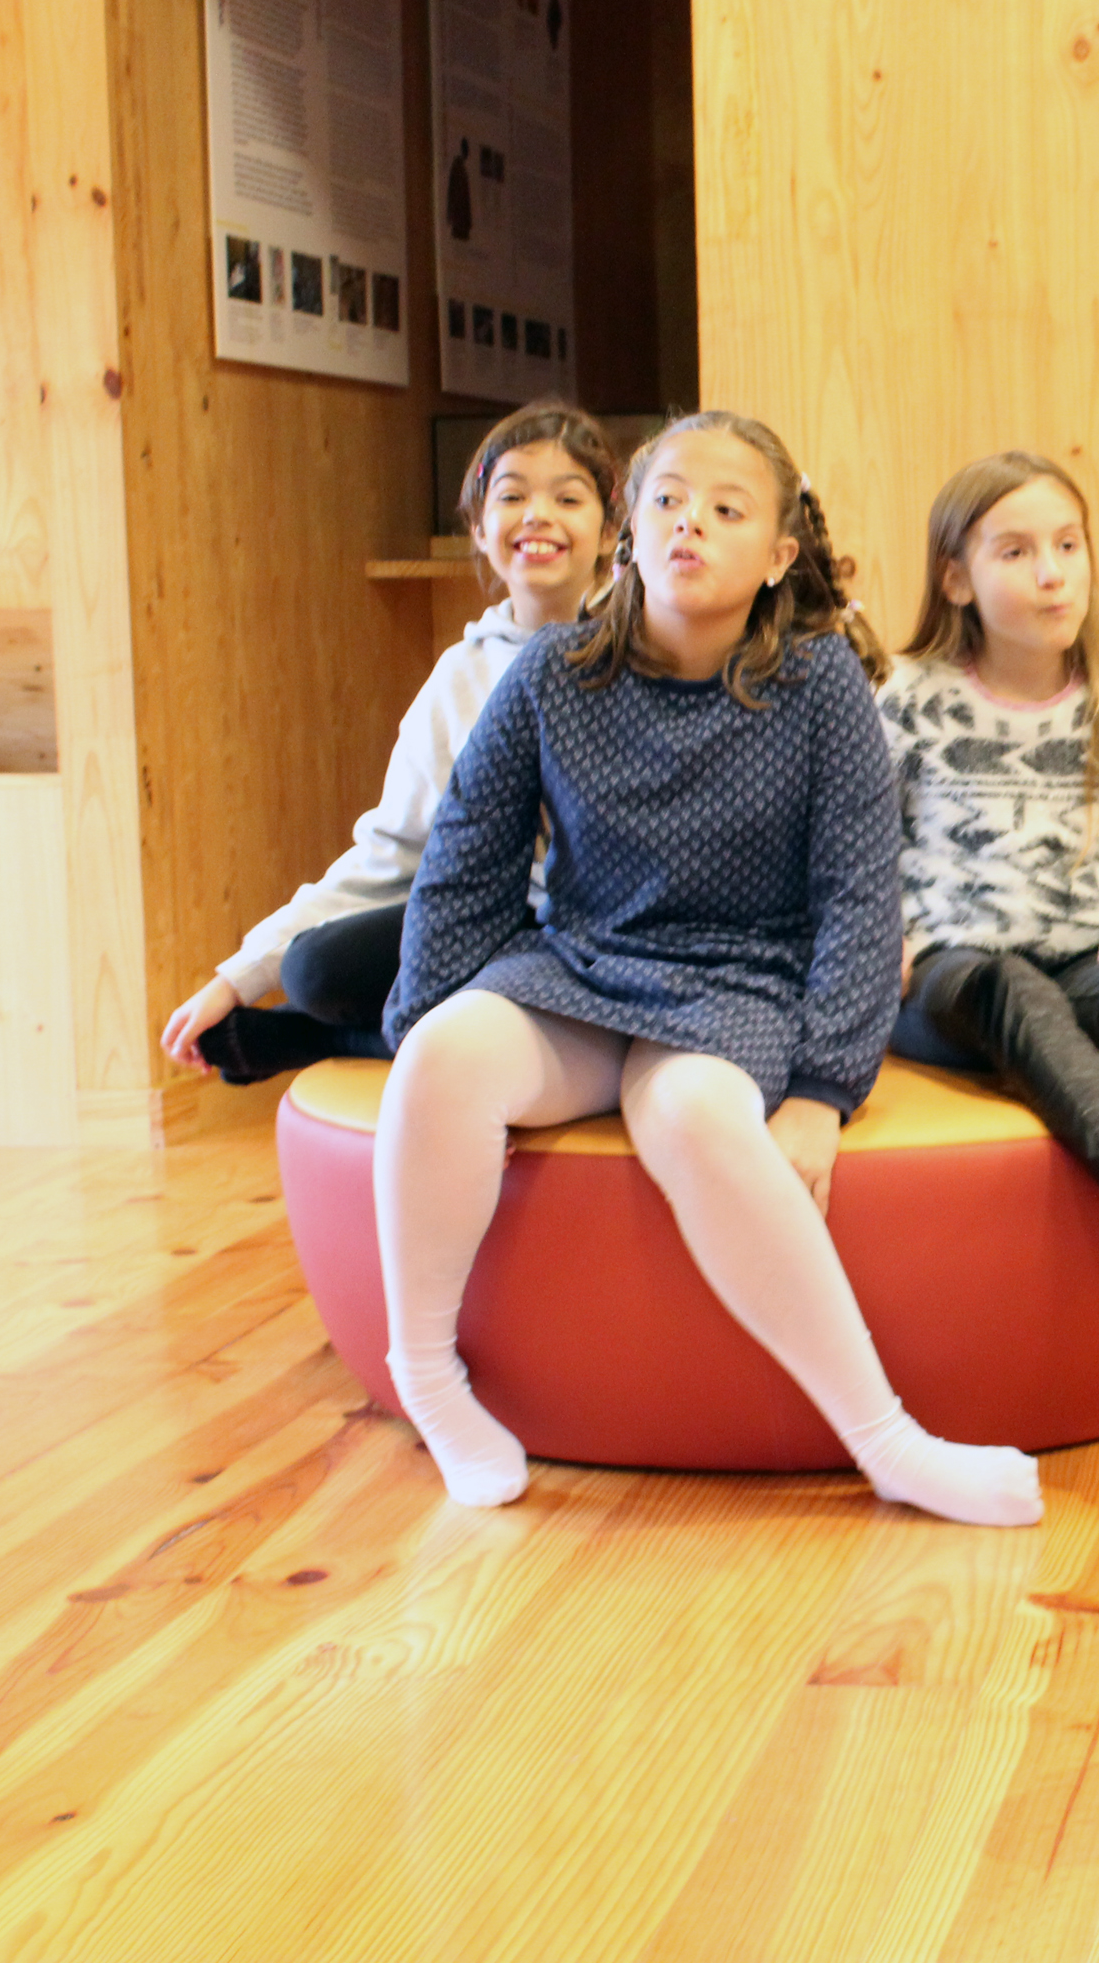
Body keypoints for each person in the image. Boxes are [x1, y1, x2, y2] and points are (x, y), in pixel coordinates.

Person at [370, 411, 1043, 1529]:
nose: (691, 523)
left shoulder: (820, 683)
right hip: (583, 965)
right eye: (670, 501)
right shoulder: (550, 673)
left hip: (740, 981)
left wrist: (825, 1086)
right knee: (442, 1049)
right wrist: (424, 1024)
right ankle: (430, 1377)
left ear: (778, 555)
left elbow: (860, 893)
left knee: (694, 1114)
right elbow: (466, 856)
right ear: (630, 529)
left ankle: (886, 1440)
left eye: (727, 510)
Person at [159, 402, 620, 1083]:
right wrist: (238, 977)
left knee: (522, 1000)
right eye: (512, 496)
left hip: (599, 932)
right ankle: (361, 1028)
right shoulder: (459, 676)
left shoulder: (645, 651)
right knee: (314, 969)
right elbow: (391, 853)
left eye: (568, 498)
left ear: (610, 531)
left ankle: (326, 1038)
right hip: (486, 923)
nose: (537, 516)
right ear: (478, 528)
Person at [883, 451, 1099, 1192]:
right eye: (1016, 552)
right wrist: (886, 942)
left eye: (1068, 545)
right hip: (956, 981)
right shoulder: (906, 704)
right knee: (1010, 984)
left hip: (1090, 974)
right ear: (956, 580)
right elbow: (852, 865)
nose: (1053, 574)